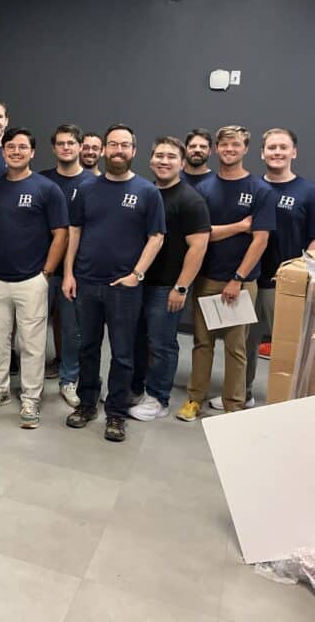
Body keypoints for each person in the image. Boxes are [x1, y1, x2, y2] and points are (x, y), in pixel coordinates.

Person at [209, 128, 315, 410]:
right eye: (271, 148)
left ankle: (288, 400)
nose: (277, 152)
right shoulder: (248, 186)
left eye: (283, 147)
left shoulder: (309, 192)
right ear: (262, 152)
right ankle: (243, 393)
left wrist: (298, 270)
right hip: (249, 279)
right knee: (245, 344)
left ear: (294, 152)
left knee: (289, 345)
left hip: (285, 285)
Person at [63, 124, 165, 442]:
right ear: (104, 150)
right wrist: (68, 273)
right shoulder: (87, 189)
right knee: (87, 347)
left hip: (124, 288)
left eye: (124, 145)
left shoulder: (147, 192)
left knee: (123, 353)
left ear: (134, 151)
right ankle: (87, 403)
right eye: (112, 144)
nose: (118, 150)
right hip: (86, 282)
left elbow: (156, 236)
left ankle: (116, 413)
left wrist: (136, 275)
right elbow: (74, 231)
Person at [177, 125, 275, 421]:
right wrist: (238, 227)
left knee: (236, 347)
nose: (230, 150)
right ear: (216, 149)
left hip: (242, 282)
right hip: (206, 278)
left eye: (237, 145)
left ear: (246, 149)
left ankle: (234, 405)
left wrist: (237, 279)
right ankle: (195, 399)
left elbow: (260, 239)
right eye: (225, 145)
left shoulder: (260, 190)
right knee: (201, 342)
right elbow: (202, 235)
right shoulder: (204, 189)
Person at [0, 127, 68, 429]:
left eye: (22, 147)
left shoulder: (47, 189)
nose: (16, 152)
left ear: (32, 152)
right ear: (3, 152)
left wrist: (46, 273)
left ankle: (30, 398)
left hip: (31, 279)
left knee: (31, 343)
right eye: (10, 147)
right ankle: (0, 388)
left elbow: (60, 234)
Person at [128, 137, 209, 421]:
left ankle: (158, 398)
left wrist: (181, 286)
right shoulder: (146, 192)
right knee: (136, 340)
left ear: (182, 163)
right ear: (150, 160)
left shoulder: (190, 200)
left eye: (171, 156)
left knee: (162, 344)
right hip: (138, 283)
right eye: (159, 155)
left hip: (167, 287)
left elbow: (199, 246)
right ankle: (134, 389)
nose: (164, 161)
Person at [39, 123, 96, 406]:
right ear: (54, 148)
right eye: (60, 143)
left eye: (70, 143)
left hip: (74, 273)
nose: (65, 148)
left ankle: (68, 379)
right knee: (35, 329)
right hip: (42, 270)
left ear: (80, 146)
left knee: (73, 331)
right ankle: (33, 381)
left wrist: (73, 271)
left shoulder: (92, 184)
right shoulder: (42, 181)